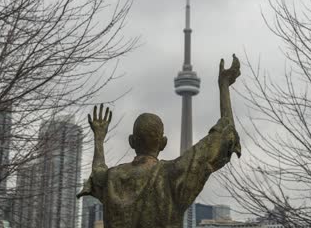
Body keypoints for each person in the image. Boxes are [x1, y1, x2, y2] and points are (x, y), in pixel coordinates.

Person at [77, 55, 242, 228]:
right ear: (163, 143)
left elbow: (98, 172)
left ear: (131, 142)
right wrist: (224, 86)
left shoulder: (113, 178)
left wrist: (99, 138)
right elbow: (225, 134)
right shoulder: (173, 174)